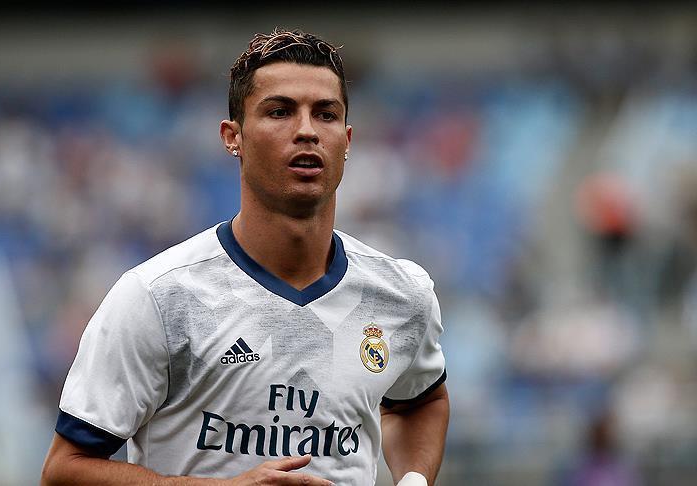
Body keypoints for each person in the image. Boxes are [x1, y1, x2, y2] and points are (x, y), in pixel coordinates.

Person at [41, 28, 449, 486]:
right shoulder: (158, 297)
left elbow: (421, 401)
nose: (307, 130)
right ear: (232, 136)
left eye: (326, 114)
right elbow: (64, 470)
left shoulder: (402, 294)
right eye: (280, 112)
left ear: (347, 140)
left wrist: (413, 481)